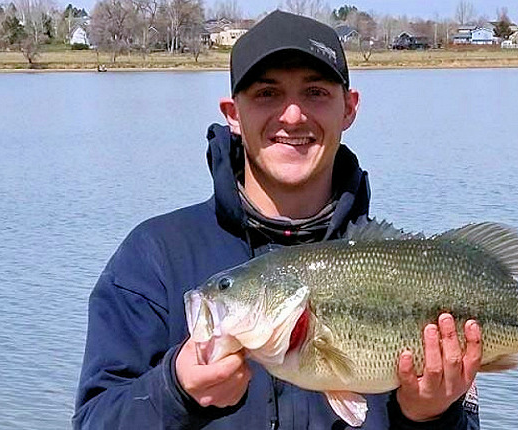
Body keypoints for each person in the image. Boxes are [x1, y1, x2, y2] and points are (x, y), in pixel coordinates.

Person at [74, 10, 482, 430]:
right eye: (267, 93)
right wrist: (175, 391)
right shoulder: (154, 258)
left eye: (315, 92)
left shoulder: (414, 271)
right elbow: (93, 421)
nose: (292, 116)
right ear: (233, 113)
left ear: (349, 108)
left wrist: (430, 416)